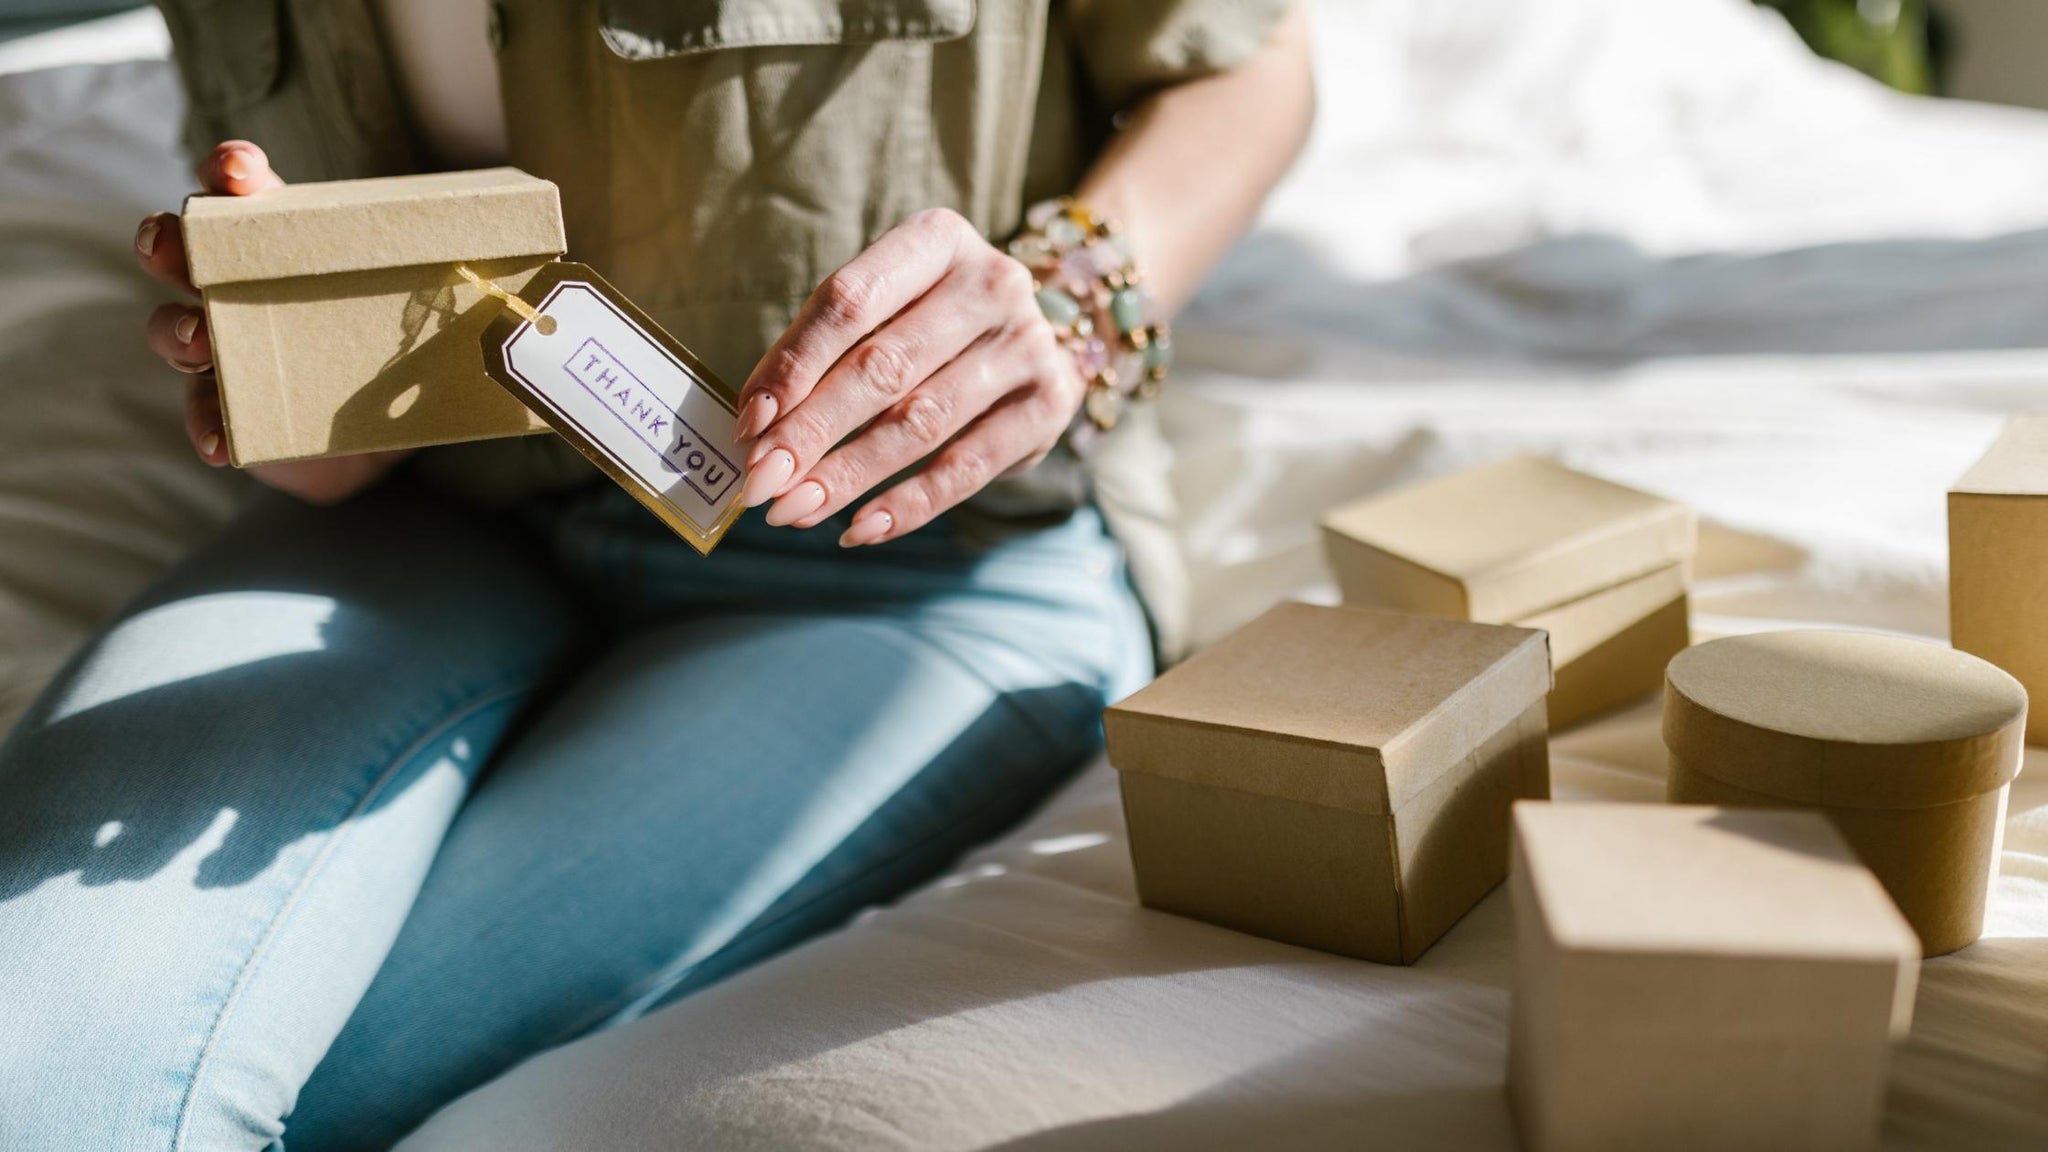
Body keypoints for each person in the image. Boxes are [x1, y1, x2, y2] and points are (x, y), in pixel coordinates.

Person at [0, 0, 1314, 1147]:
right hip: (435, 511)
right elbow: (325, 340)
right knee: (35, 1066)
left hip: (901, 561)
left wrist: (1079, 296)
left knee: (319, 1096)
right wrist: (292, 360)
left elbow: (1251, 59)